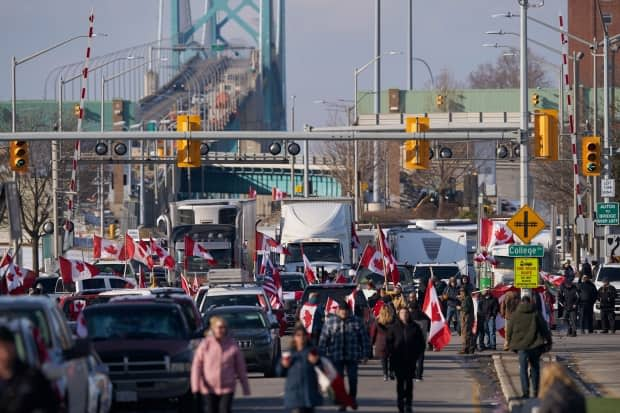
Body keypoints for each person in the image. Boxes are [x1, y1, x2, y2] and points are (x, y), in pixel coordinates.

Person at [191, 316, 250, 413]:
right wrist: (195, 387)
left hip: (227, 387)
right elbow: (196, 368)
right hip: (208, 387)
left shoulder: (232, 345)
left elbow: (240, 367)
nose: (222, 330)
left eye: (224, 327)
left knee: (224, 410)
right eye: (219, 327)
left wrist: (245, 387)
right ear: (213, 329)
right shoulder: (205, 345)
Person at [319, 301, 370, 411]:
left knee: (353, 378)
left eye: (346, 311)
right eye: (342, 311)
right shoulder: (330, 322)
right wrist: (321, 356)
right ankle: (343, 402)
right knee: (339, 380)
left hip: (352, 355)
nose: (344, 313)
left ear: (349, 311)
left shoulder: (357, 322)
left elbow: (364, 339)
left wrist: (366, 354)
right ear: (337, 311)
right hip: (336, 356)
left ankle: (352, 398)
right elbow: (323, 340)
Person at [0, 326, 59, 413]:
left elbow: (50, 407)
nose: (5, 354)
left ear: (14, 347)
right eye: (1, 348)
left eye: (7, 347)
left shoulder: (33, 379)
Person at [506, 295, 552, 399]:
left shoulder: (515, 314)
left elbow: (509, 330)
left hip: (521, 347)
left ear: (521, 302)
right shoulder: (536, 313)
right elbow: (544, 328)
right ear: (530, 302)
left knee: (523, 369)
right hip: (535, 345)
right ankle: (536, 392)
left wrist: (509, 343)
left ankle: (525, 392)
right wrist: (549, 341)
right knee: (535, 368)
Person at [386, 307, 426, 413]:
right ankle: (400, 402)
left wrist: (416, 355)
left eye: (406, 313)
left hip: (410, 360)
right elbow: (389, 343)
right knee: (400, 383)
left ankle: (408, 403)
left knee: (409, 383)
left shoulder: (415, 327)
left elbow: (421, 343)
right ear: (399, 315)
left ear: (409, 315)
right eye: (402, 313)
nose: (404, 315)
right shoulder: (394, 328)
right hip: (398, 360)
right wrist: (391, 354)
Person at [279, 325, 323, 413]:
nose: (301, 338)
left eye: (303, 335)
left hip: (310, 394)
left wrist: (317, 361)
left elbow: (325, 368)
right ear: (294, 337)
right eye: (298, 335)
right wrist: (283, 365)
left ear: (307, 337)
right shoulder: (289, 353)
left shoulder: (313, 351)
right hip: (295, 395)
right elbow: (279, 372)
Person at [370, 305, 395, 381]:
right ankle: (391, 372)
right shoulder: (394, 320)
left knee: (383, 360)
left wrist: (372, 343)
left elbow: (373, 333)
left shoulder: (377, 322)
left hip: (381, 343)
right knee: (392, 359)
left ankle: (385, 374)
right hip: (392, 342)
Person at [408, 300, 430, 380]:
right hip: (422, 340)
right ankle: (419, 375)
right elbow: (429, 328)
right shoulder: (425, 316)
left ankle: (412, 373)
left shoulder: (409, 316)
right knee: (420, 359)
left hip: (411, 340)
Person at [458, 287, 475, 354]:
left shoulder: (467, 299)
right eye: (460, 291)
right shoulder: (465, 299)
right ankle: (468, 348)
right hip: (465, 318)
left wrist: (460, 308)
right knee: (466, 333)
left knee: (466, 334)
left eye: (462, 291)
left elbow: (466, 309)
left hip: (467, 319)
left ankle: (466, 348)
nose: (461, 293)